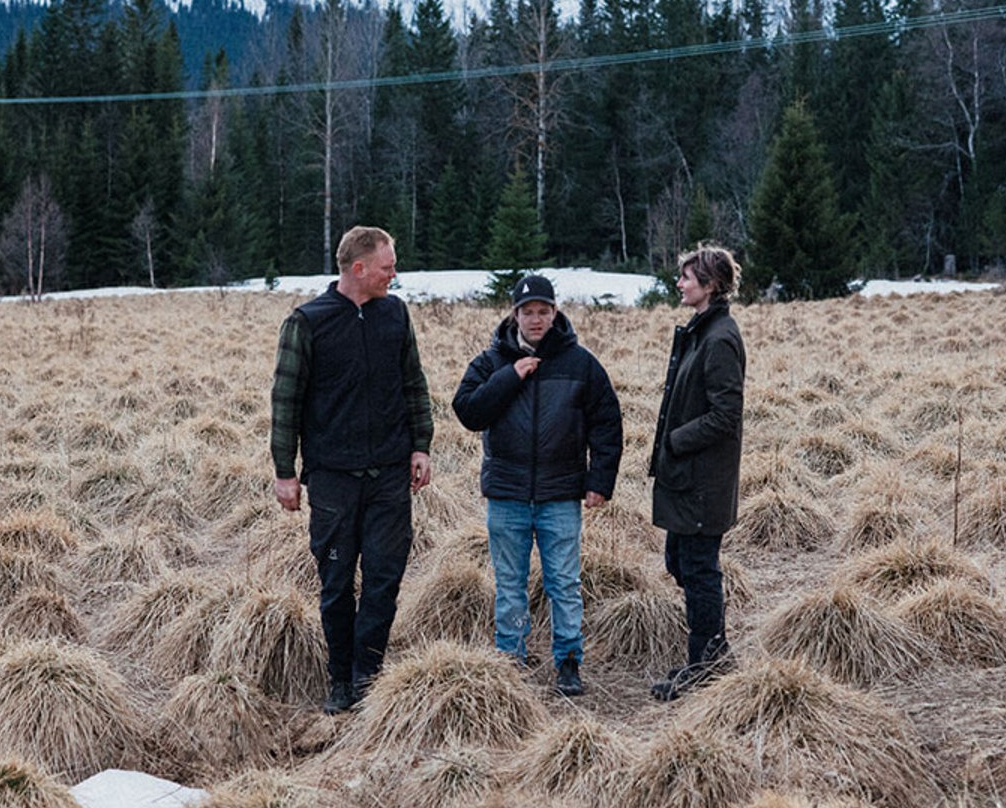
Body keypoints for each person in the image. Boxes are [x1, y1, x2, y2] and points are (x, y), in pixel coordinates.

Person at [270, 226, 433, 715]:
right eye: (387, 267)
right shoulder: (307, 322)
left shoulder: (394, 313)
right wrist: (285, 470)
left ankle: (369, 674)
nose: (394, 274)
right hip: (333, 480)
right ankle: (340, 679)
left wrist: (420, 445)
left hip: (388, 476)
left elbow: (413, 384)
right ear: (358, 269)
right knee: (338, 582)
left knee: (385, 577)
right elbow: (286, 401)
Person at [452, 274, 622, 696]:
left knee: (563, 582)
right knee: (509, 585)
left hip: (560, 495)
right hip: (507, 495)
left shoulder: (581, 363)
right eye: (528, 312)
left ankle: (568, 661)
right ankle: (510, 658)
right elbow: (468, 411)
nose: (536, 319)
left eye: (544, 311)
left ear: (555, 313)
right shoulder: (491, 362)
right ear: (514, 315)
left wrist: (599, 480)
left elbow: (607, 424)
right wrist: (511, 376)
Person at [648, 244, 746, 701]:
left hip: (704, 480)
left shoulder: (720, 337)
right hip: (687, 477)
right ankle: (714, 650)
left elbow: (727, 414)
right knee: (680, 562)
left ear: (710, 285)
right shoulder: (701, 331)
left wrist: (676, 439)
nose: (680, 283)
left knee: (699, 568)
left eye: (688, 277)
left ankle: (705, 664)